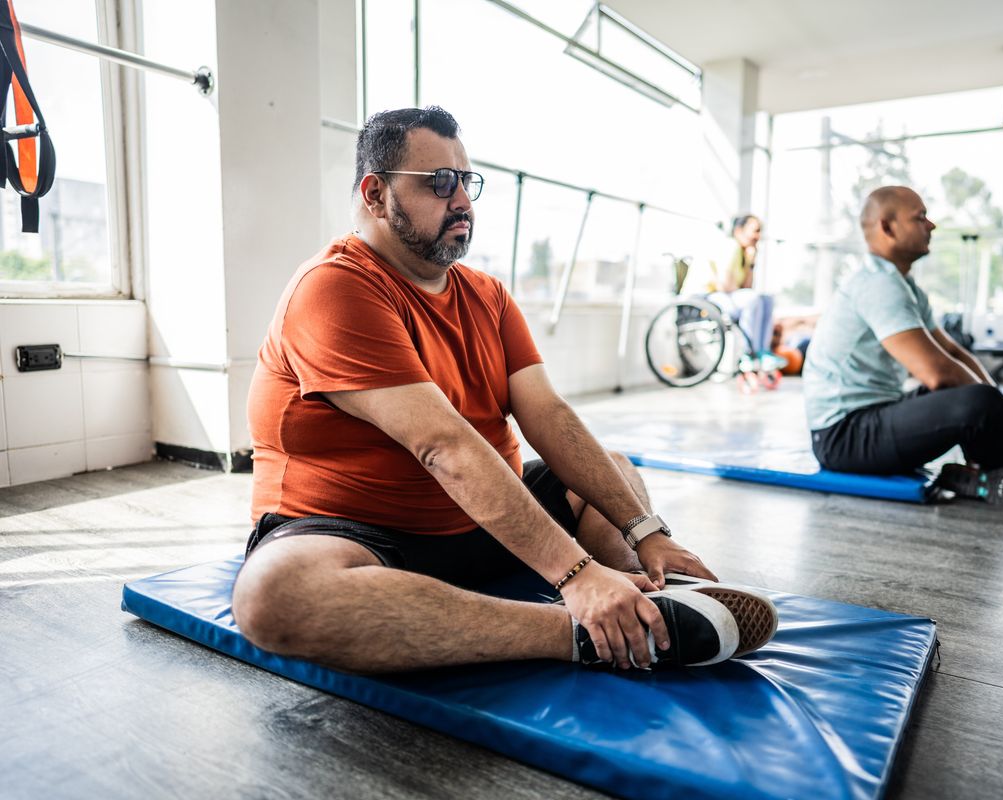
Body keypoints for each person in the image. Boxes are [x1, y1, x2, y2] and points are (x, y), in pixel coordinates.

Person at [231, 106, 777, 674]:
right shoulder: (335, 287)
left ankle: (649, 596)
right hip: (365, 533)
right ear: (375, 194)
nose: (462, 201)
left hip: (485, 523)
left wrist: (647, 533)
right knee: (274, 595)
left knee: (612, 471)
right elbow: (443, 445)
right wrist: (576, 574)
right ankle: (590, 631)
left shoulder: (487, 294)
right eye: (440, 182)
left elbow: (547, 414)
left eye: (467, 182)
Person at [802, 186, 1003, 507]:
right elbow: (937, 372)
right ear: (887, 227)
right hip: (843, 438)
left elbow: (954, 353)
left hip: (871, 418)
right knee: (977, 400)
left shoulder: (903, 286)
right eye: (920, 218)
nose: (931, 225)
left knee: (979, 398)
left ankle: (982, 473)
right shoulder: (877, 284)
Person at [705, 214, 786, 384]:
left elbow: (747, 286)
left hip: (726, 296)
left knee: (766, 299)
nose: (758, 236)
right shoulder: (731, 247)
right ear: (738, 231)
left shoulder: (743, 253)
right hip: (708, 296)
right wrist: (745, 295)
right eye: (755, 231)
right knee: (752, 299)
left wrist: (751, 262)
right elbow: (724, 284)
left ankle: (762, 351)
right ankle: (749, 352)